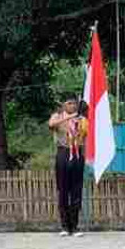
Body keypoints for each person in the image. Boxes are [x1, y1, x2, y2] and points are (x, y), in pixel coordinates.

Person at [48, 93, 88, 237]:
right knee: (63, 190)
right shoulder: (57, 116)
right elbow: (51, 125)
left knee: (76, 190)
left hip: (77, 153)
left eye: (74, 103)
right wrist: (68, 118)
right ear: (63, 105)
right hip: (63, 153)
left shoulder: (82, 119)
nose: (72, 106)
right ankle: (65, 226)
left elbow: (86, 134)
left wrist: (79, 120)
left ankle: (75, 226)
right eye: (69, 103)